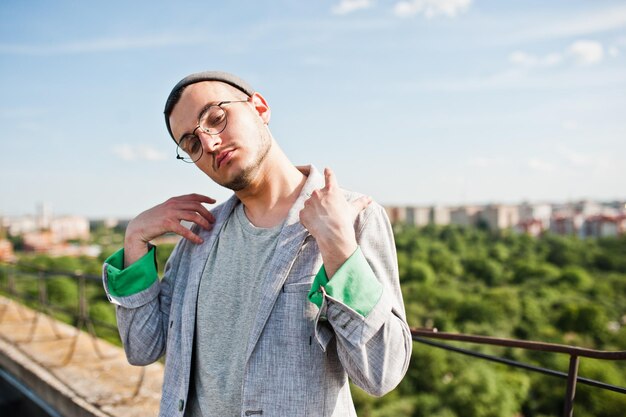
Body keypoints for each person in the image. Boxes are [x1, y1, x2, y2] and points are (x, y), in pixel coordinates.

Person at [102, 71, 412, 417]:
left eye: (216, 118)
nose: (209, 144)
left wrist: (339, 249)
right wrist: (134, 240)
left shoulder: (353, 218)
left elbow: (382, 373)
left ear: (260, 108)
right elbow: (143, 347)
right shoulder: (197, 236)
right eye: (191, 144)